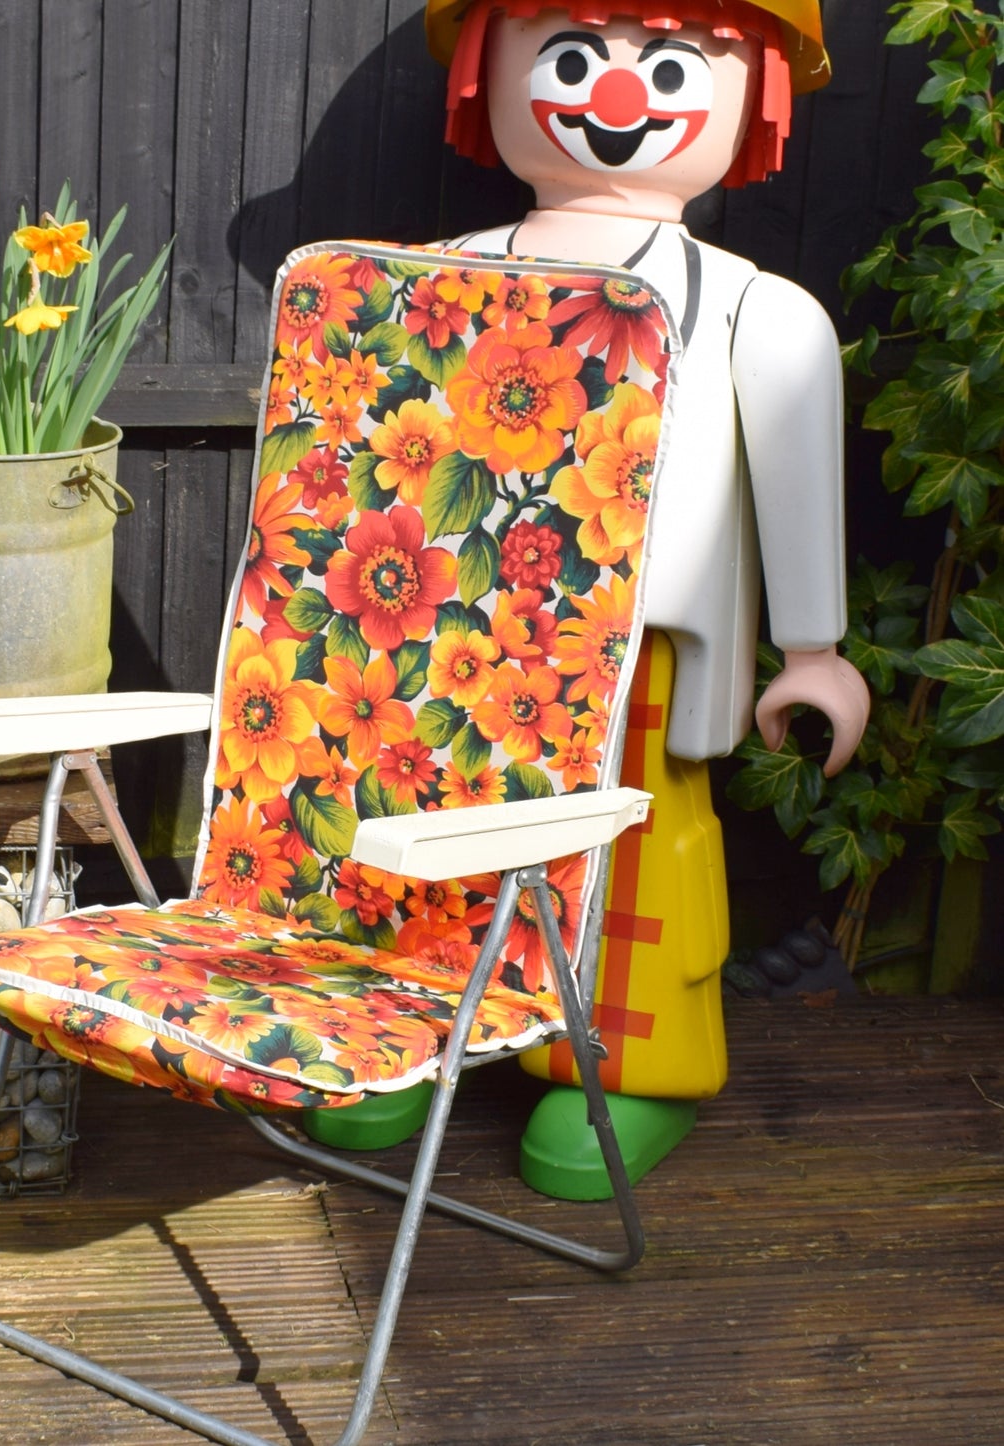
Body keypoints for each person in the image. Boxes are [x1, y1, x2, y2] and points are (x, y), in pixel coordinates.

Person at [423, 0, 870, 1191]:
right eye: (571, 56)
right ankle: (412, 1029)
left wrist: (811, 648)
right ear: (484, 68)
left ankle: (629, 1064)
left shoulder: (748, 306)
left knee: (634, 851)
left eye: (669, 66)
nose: (614, 95)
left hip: (643, 650)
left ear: (754, 92)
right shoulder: (438, 279)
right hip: (456, 641)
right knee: (436, 832)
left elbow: (791, 462)